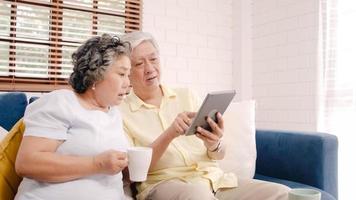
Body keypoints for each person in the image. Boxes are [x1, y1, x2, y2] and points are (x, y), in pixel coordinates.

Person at [119, 31, 291, 200]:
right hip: (166, 185)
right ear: (127, 72)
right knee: (198, 195)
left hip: (215, 181)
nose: (149, 68)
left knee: (284, 193)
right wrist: (170, 134)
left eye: (153, 59)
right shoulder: (122, 113)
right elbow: (132, 173)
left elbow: (219, 154)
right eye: (139, 64)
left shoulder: (187, 95)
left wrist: (214, 143)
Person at [14, 34, 131, 200]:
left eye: (128, 75)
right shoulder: (61, 102)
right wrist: (96, 164)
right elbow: (27, 163)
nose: (127, 83)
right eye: (121, 74)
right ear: (96, 75)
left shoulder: (114, 114)